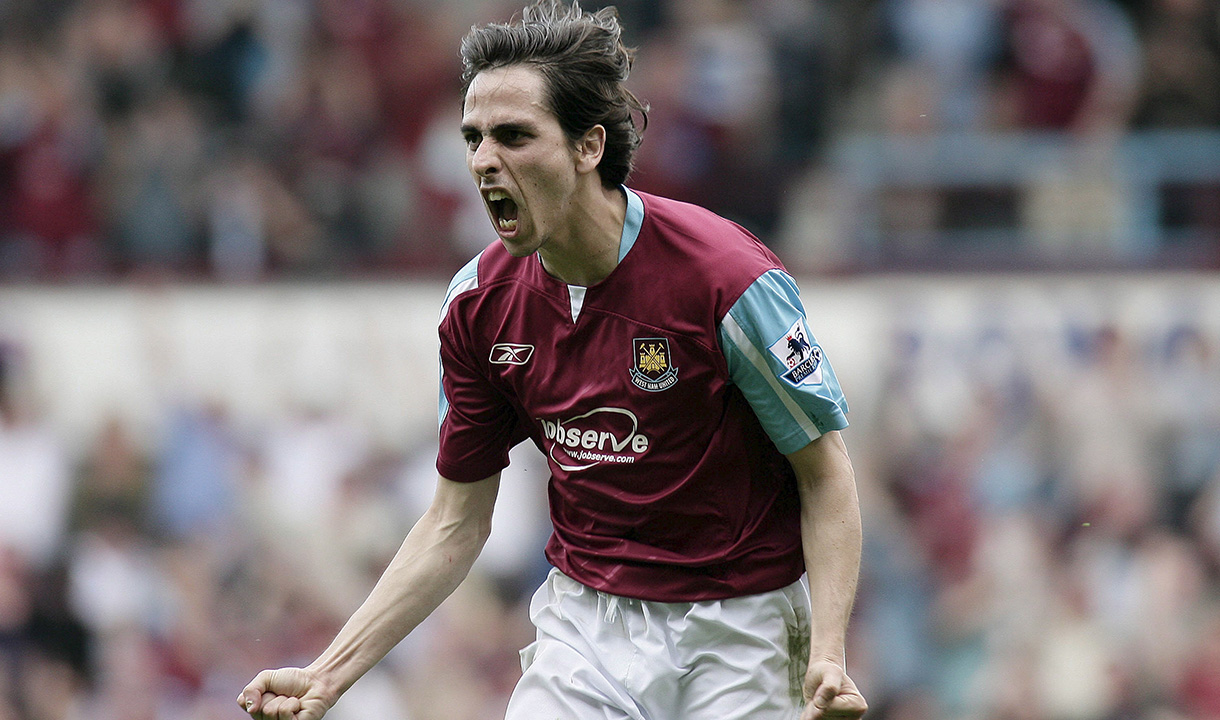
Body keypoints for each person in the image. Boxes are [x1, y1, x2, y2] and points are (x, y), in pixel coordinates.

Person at [237, 2, 867, 719]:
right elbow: (455, 520)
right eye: (473, 138)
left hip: (741, 627)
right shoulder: (479, 305)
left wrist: (827, 653)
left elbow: (826, 473)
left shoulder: (726, 278)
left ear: (588, 146)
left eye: (513, 136)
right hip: (587, 628)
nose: (482, 161)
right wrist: (330, 673)